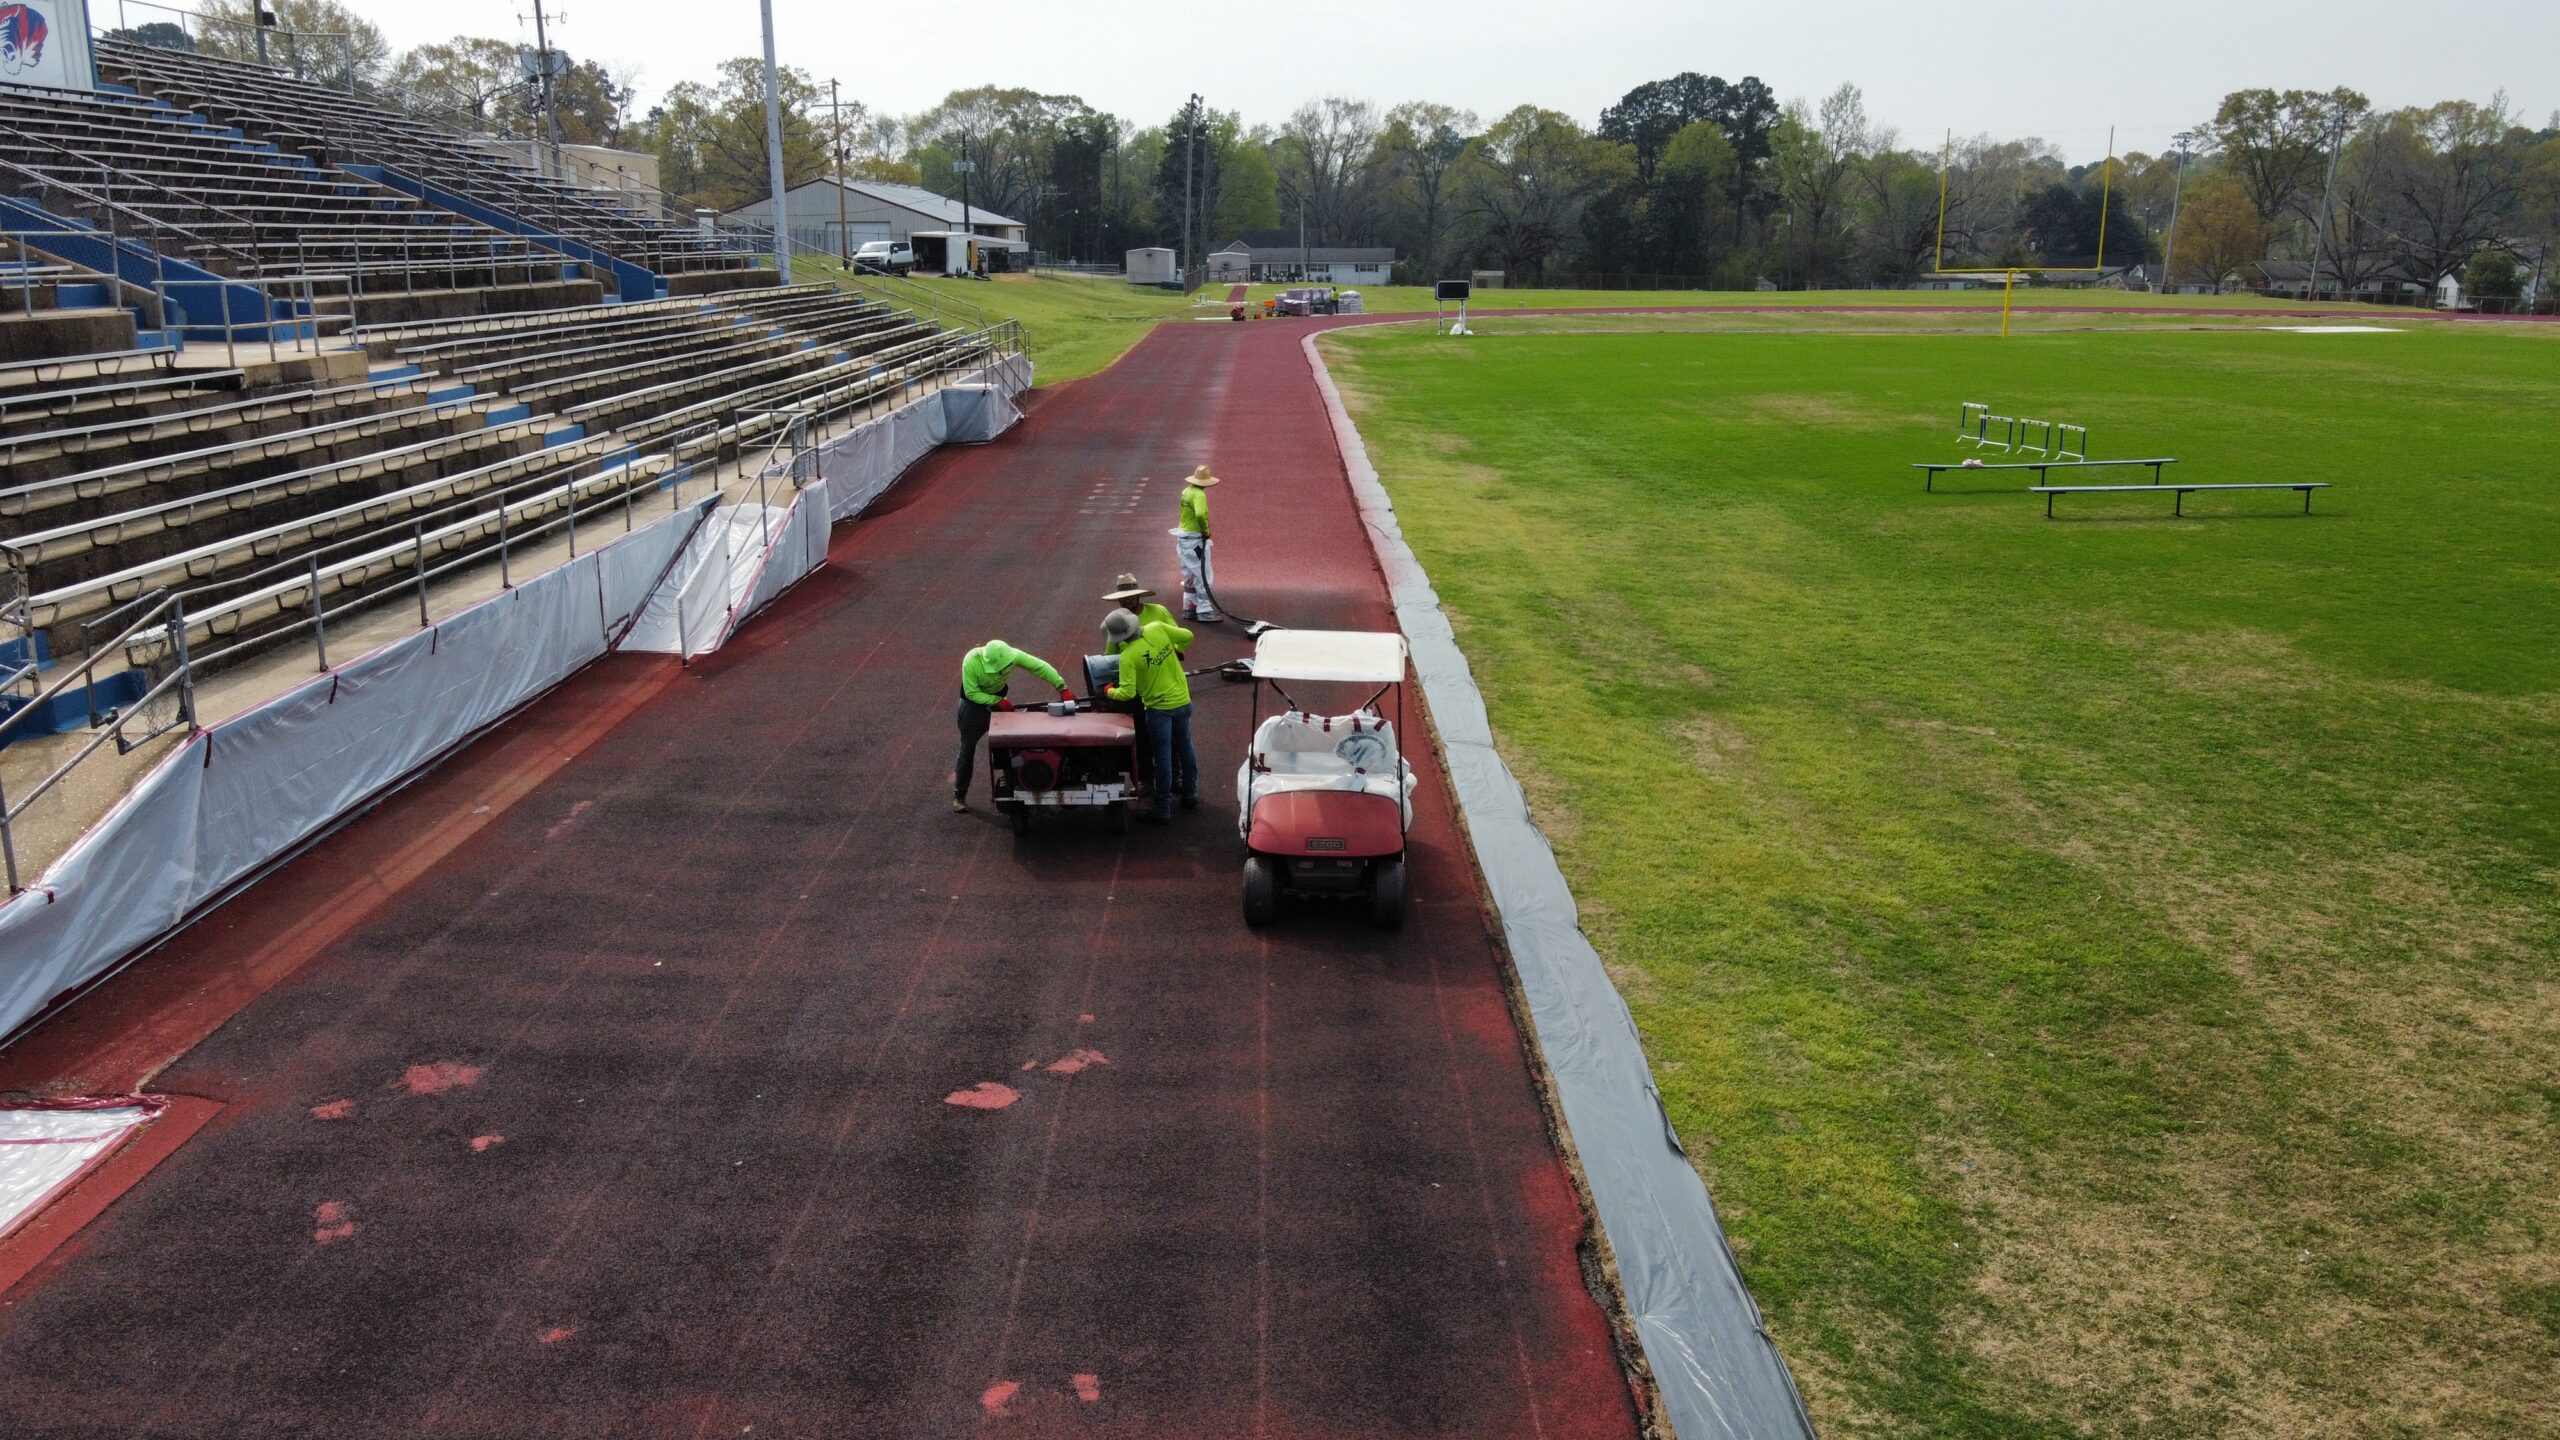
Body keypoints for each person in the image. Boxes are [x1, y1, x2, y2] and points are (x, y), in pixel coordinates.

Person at [953, 639, 1072, 813]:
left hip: (997, 701)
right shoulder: (971, 661)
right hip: (973, 708)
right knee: (967, 748)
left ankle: (1015, 783)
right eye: (999, 669)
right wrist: (997, 701)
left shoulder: (1011, 655)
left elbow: (1039, 667)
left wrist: (1062, 687)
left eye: (1006, 667)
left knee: (1009, 743)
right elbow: (971, 693)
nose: (1003, 671)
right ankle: (959, 794)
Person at [1105, 614, 1196, 823]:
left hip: (1158, 709)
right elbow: (1188, 636)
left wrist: (1109, 691)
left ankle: (1162, 810)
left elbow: (1127, 693)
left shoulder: (1128, 655)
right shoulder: (1157, 627)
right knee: (1185, 747)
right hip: (1183, 700)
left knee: (1162, 757)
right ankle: (1191, 793)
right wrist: (1178, 649)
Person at [1173, 464, 1221, 623]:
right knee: (1204, 575)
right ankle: (1204, 610)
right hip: (1195, 540)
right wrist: (1205, 529)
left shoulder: (1186, 491)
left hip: (1183, 537)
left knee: (1189, 575)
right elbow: (1200, 514)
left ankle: (1190, 607)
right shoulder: (1199, 495)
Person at [1100, 573, 1176, 654]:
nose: (1126, 600)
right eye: (1122, 598)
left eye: (1130, 596)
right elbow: (1110, 655)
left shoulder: (1159, 610)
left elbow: (1176, 635)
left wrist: (1174, 650)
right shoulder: (1116, 623)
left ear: (1138, 596)